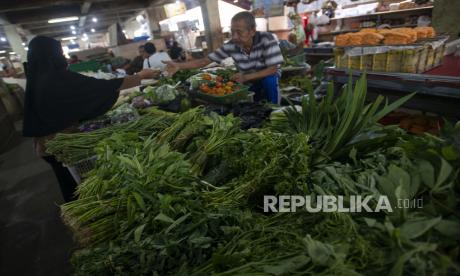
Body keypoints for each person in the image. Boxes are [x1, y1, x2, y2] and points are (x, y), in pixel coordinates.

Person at [22, 36, 160, 202]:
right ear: (51, 55)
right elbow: (99, 88)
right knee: (75, 187)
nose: (63, 57)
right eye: (59, 53)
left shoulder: (37, 77)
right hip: (59, 145)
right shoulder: (56, 79)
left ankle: (74, 209)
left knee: (67, 182)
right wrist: (140, 76)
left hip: (45, 144)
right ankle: (79, 212)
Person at [164, 11, 284, 104]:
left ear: (252, 31)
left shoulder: (266, 39)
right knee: (254, 102)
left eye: (239, 32)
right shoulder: (232, 45)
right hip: (248, 79)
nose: (235, 36)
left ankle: (274, 109)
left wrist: (245, 77)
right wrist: (179, 66)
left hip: (267, 76)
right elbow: (205, 61)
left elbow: (272, 69)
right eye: (232, 32)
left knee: (269, 81)